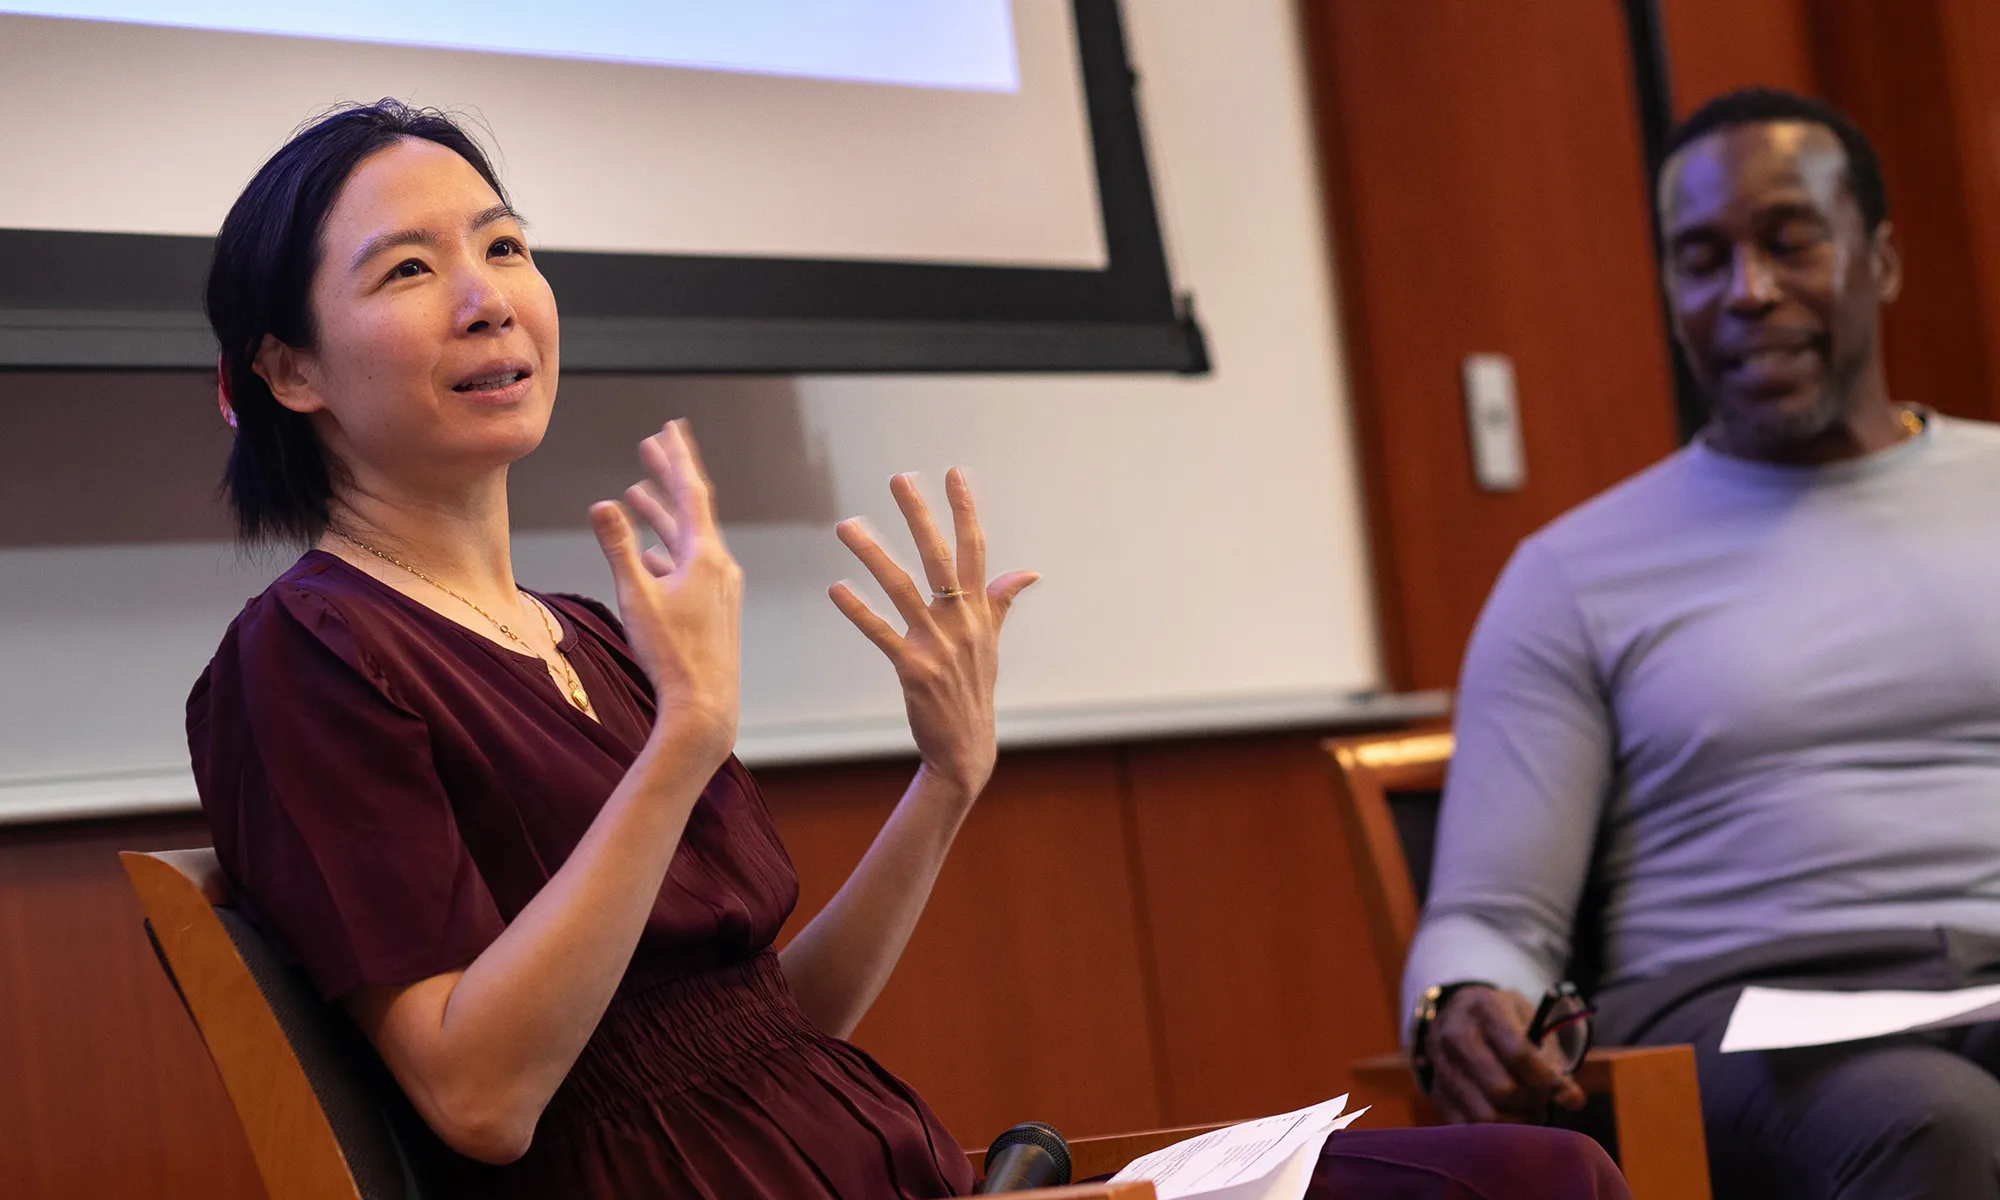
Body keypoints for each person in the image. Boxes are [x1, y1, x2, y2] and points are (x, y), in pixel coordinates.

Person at [189, 99, 1628, 1198]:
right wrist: (686, 733)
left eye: (505, 246)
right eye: (407, 270)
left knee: (1531, 1175)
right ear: (288, 370)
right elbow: (481, 1099)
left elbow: (761, 1025)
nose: (489, 293)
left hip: (886, 1160)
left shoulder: (583, 634)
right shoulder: (306, 655)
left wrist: (944, 785)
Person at [1404, 85, 2000, 1197]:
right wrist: (1465, 1002)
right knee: (1935, 1126)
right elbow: (1489, 916)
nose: (1746, 292)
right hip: (1742, 1017)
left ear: (1878, 259)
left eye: (1788, 243)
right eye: (1698, 259)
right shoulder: (1571, 574)